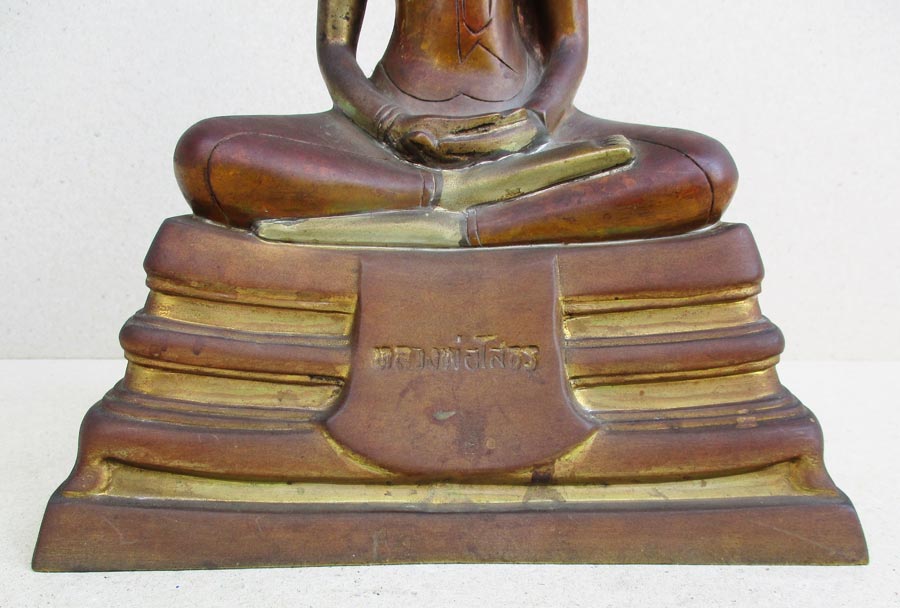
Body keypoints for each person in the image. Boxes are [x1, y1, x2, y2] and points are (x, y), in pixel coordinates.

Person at [174, 0, 737, 246]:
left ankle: (468, 226)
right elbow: (334, 49)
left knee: (703, 170)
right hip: (385, 133)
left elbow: (570, 43)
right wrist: (391, 123)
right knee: (209, 152)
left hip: (533, 135)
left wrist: (534, 123)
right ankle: (447, 195)